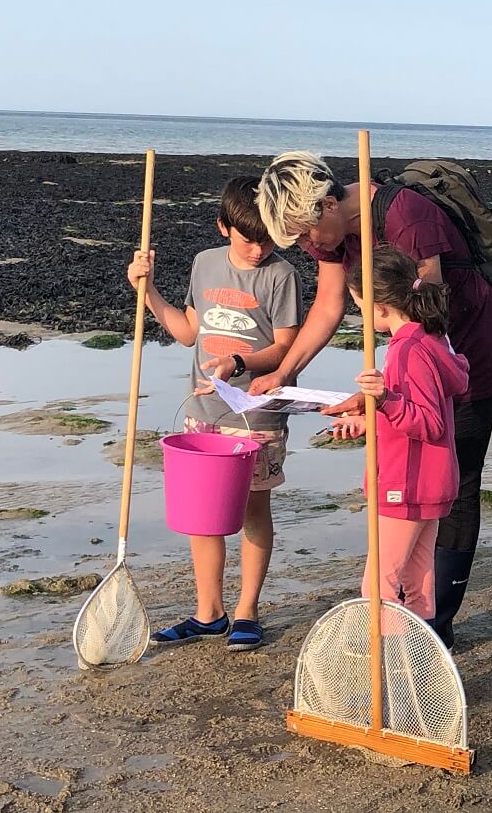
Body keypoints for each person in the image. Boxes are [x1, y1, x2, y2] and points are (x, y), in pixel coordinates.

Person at [252, 152, 492, 649]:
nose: (310, 246)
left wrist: (380, 397)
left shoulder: (405, 215)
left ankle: (436, 624)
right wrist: (284, 372)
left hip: (467, 353)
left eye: (308, 234)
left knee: (455, 483)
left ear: (330, 202)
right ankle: (423, 625)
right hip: (410, 366)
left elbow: (429, 314)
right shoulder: (331, 235)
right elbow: (331, 303)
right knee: (424, 482)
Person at [126, 176, 303, 651]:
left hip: (257, 412)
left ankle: (246, 611)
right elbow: (187, 332)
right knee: (203, 516)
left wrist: (239, 363)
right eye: (250, 240)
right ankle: (209, 613)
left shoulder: (282, 275)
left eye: (268, 239)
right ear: (224, 227)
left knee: (252, 509)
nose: (259, 250)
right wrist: (147, 291)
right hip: (202, 409)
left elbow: (286, 349)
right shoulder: (204, 264)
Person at [326, 248, 469, 618]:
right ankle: (418, 667)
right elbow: (416, 412)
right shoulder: (432, 338)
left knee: (380, 588)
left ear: (381, 307)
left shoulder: (407, 350)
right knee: (418, 585)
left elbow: (429, 423)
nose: (361, 316)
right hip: (428, 482)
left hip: (405, 484)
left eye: (360, 307)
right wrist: (365, 421)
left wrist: (385, 399)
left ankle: (385, 670)